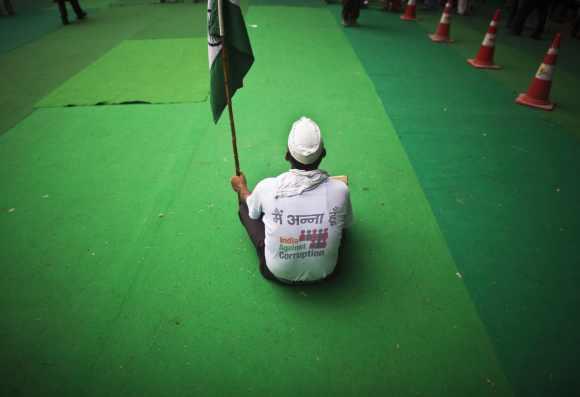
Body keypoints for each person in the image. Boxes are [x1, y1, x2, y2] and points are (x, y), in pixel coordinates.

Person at [230, 117, 353, 285]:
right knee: (337, 222)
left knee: (246, 209)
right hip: (328, 273)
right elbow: (346, 225)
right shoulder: (340, 189)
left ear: (287, 155)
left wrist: (241, 188)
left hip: (277, 273)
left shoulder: (267, 187)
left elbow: (253, 211)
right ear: (323, 154)